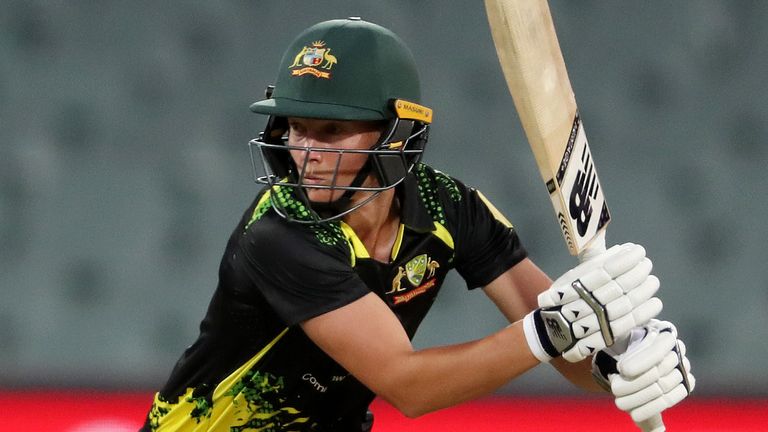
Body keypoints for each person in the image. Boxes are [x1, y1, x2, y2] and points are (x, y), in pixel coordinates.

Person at [141, 18, 694, 432]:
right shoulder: (281, 235)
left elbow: (559, 344)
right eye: (295, 127)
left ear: (395, 133)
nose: (306, 150)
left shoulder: (451, 207)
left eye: (333, 129)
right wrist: (558, 331)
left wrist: (620, 360)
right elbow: (409, 386)